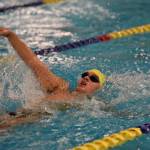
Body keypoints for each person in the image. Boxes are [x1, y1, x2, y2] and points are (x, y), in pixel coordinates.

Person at [0, 27, 106, 129]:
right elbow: (32, 61)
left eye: (94, 78)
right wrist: (11, 35)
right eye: (84, 75)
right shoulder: (59, 87)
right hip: (14, 118)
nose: (87, 78)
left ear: (98, 88)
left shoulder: (93, 105)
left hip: (23, 124)